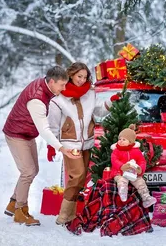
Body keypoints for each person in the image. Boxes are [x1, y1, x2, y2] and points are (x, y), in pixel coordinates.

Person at [3, 66, 78, 226]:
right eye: (62, 85)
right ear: (51, 81)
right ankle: (20, 211)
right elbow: (44, 129)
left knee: (33, 170)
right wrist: (61, 148)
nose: (64, 88)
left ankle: (13, 202)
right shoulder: (37, 99)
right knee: (28, 171)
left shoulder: (45, 87)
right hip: (16, 134)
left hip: (26, 133)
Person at [47, 62, 119, 225]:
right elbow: (52, 124)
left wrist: (111, 102)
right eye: (79, 76)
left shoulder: (90, 93)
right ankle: (63, 216)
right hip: (69, 144)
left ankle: (70, 216)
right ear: (71, 75)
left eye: (85, 77)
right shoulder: (58, 99)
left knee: (80, 180)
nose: (82, 80)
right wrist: (52, 145)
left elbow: (98, 112)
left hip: (87, 142)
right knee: (77, 175)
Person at [110, 124, 157, 208]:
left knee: (140, 182)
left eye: (124, 139)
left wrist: (139, 169)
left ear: (131, 141)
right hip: (119, 172)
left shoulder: (136, 151)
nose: (120, 141)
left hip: (133, 173)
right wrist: (121, 166)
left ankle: (146, 198)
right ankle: (123, 192)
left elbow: (142, 161)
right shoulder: (116, 151)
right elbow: (114, 160)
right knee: (122, 181)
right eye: (119, 139)